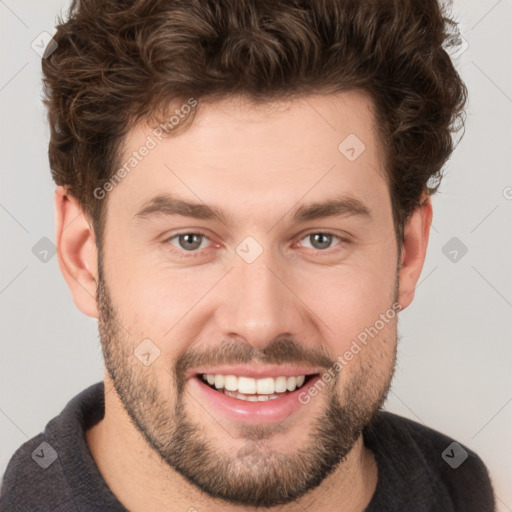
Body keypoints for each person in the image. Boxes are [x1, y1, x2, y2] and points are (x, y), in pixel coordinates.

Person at [0, 0, 496, 510]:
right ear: (84, 257)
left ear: (408, 254)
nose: (259, 322)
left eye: (320, 239)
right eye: (189, 240)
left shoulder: (467, 490)